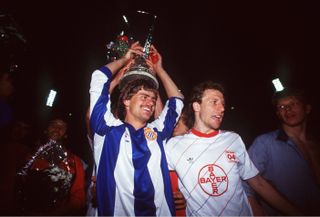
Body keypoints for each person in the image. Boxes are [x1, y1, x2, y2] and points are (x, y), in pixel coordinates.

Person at [165, 80, 302, 216]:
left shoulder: (233, 140)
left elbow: (259, 183)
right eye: (214, 102)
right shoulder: (173, 145)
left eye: (223, 104)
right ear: (197, 106)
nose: (222, 108)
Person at [89, 41, 184, 216]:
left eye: (153, 99)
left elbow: (176, 100)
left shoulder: (158, 132)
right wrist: (124, 60)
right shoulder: (106, 128)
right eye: (144, 97)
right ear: (126, 100)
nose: (150, 102)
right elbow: (98, 78)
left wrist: (159, 70)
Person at [246, 88, 320, 215]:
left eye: (293, 104)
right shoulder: (265, 143)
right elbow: (245, 183)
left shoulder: (316, 145)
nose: (287, 109)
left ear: (307, 108)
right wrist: (256, 210)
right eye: (282, 106)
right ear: (278, 114)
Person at [15, 118, 87, 216]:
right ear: (46, 129)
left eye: (62, 127)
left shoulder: (74, 161)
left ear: (66, 134)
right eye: (53, 125)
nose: (57, 128)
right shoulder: (28, 156)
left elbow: (79, 198)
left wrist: (55, 213)